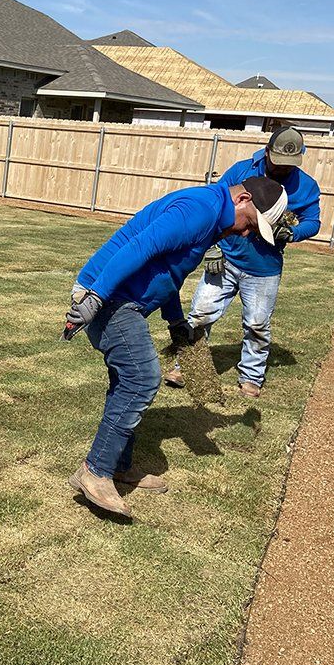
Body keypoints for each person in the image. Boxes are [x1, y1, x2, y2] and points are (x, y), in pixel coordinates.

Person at [63, 174, 288, 518]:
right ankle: (95, 472)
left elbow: (167, 273)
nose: (246, 233)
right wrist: (95, 296)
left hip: (121, 298)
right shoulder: (200, 210)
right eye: (251, 224)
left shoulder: (212, 219)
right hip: (109, 297)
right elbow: (141, 247)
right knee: (142, 378)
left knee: (126, 381)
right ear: (243, 200)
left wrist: (176, 321)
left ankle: (119, 465)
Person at [164, 126, 321, 399]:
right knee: (200, 314)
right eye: (278, 161)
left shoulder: (306, 187)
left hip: (264, 269)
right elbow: (215, 204)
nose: (283, 168)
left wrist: (293, 233)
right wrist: (212, 246)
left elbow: (314, 223)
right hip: (225, 259)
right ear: (267, 150)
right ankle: (185, 366)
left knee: (257, 325)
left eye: (289, 164)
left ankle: (251, 376)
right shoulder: (240, 171)